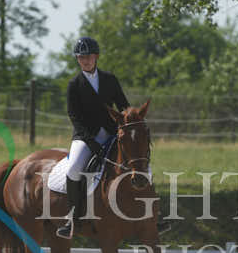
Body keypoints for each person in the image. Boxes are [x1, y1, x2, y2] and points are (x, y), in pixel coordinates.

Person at [58, 36, 170, 238]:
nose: (85, 60)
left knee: (143, 164)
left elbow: (123, 105)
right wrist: (90, 141)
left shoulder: (110, 79)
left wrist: (131, 121)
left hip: (113, 133)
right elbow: (74, 115)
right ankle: (73, 218)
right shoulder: (74, 84)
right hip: (85, 137)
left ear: (96, 57)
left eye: (88, 57)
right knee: (74, 168)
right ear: (77, 59)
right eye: (81, 57)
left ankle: (156, 215)